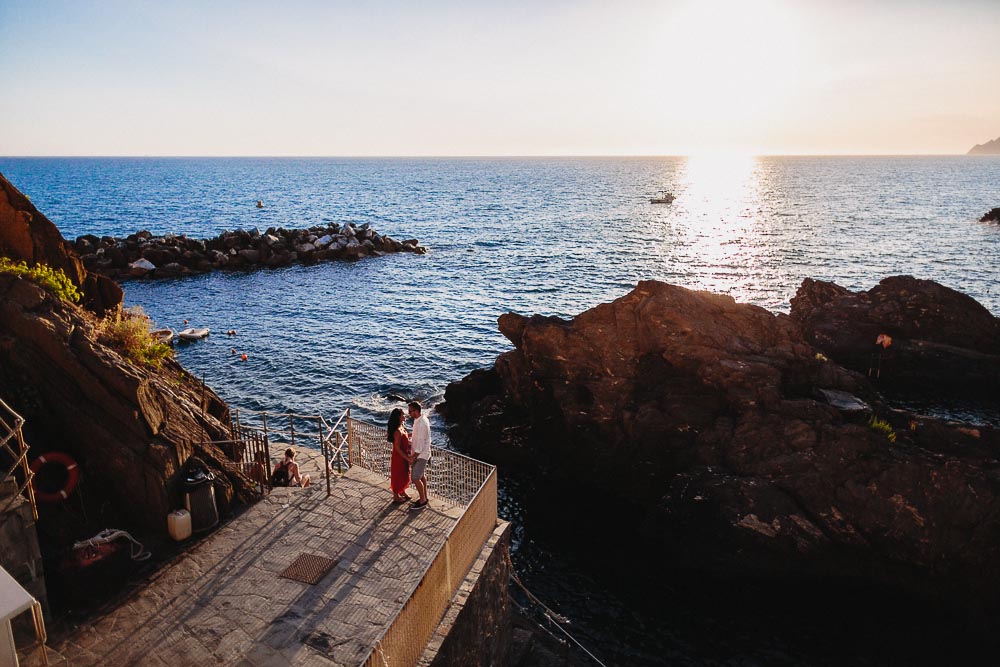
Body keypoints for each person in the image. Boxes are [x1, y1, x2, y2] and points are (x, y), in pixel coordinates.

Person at [407, 401, 431, 508]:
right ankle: (424, 496)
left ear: (416, 411)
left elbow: (420, 444)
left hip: (421, 455)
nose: (409, 413)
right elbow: (418, 434)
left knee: (415, 477)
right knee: (421, 476)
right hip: (422, 453)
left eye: (410, 411)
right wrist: (408, 434)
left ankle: (423, 500)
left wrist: (413, 457)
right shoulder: (419, 420)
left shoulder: (421, 424)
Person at [387, 407, 412, 503]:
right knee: (398, 474)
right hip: (399, 457)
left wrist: (414, 434)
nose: (405, 416)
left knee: (404, 474)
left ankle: (402, 491)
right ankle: (396, 495)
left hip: (404, 455)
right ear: (399, 417)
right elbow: (397, 448)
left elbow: (405, 436)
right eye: (403, 415)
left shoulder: (401, 427)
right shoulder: (397, 431)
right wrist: (407, 458)